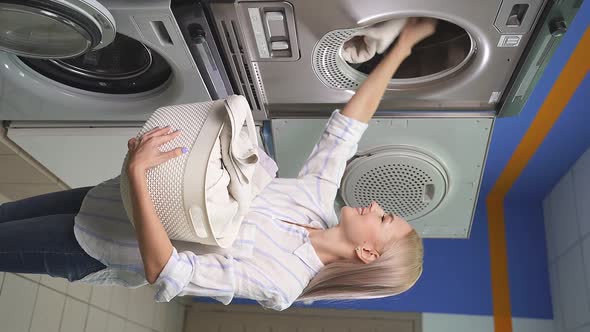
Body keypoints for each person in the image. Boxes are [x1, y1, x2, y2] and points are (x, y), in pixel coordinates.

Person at [0, 18, 436, 310]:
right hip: (109, 198)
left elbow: (167, 270)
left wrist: (138, 174)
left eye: (385, 219)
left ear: (367, 252)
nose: (376, 206)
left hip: (97, 242)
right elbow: (347, 128)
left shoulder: (281, 282)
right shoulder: (315, 200)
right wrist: (401, 49)